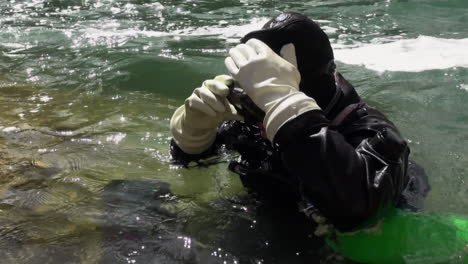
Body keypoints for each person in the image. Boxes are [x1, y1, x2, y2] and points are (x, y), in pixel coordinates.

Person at [169, 12, 429, 233]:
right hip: (264, 217)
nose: (253, 97)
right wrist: (193, 132)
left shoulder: (374, 133)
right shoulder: (255, 114)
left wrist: (284, 102)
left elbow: (358, 211)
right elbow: (195, 164)